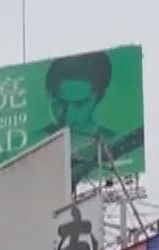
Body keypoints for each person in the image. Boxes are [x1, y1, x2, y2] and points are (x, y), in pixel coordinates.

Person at [35, 51, 144, 186]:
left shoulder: (116, 144)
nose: (68, 114)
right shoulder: (26, 151)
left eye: (80, 104)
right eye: (59, 103)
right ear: (48, 95)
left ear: (100, 97)